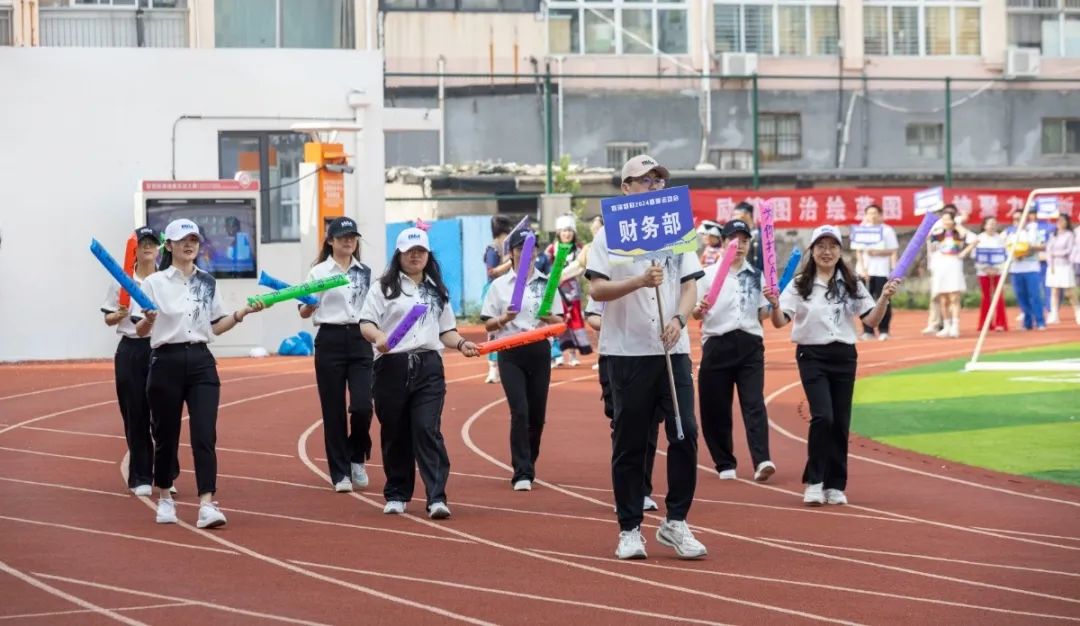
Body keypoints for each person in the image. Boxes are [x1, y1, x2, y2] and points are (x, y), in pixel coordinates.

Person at [586, 154, 707, 561]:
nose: (653, 186)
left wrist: (679, 317)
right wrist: (639, 280)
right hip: (628, 351)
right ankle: (629, 528)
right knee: (631, 441)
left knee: (685, 432)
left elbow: (689, 286)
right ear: (626, 188)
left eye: (658, 180)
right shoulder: (608, 235)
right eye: (644, 180)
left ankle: (676, 521)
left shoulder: (675, 226)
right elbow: (597, 290)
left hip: (672, 350)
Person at [132, 218, 265, 528]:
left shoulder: (207, 281)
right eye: (182, 240)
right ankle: (165, 497)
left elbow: (216, 326)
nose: (189, 245)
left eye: (193, 239)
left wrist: (241, 313)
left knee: (205, 434)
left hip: (201, 361)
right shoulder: (154, 283)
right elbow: (140, 331)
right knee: (165, 435)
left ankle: (207, 503)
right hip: (165, 360)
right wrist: (149, 319)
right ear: (169, 245)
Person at [359, 227, 480, 519]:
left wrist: (461, 343)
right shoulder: (383, 287)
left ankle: (436, 497)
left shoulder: (436, 290)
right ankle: (397, 493)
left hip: (428, 366)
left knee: (427, 428)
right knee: (395, 431)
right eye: (410, 252)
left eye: (421, 251)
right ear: (399, 254)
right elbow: (366, 323)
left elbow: (446, 330)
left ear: (428, 255)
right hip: (391, 366)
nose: (416, 256)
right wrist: (378, 337)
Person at [773, 225, 897, 507]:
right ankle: (815, 482)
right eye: (820, 246)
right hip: (812, 355)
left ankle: (835, 484)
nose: (826, 252)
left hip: (844, 356)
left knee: (840, 422)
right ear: (812, 250)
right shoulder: (800, 284)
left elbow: (871, 320)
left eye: (832, 246)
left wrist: (884, 298)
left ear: (840, 251)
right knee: (823, 417)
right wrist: (773, 305)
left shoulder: (852, 283)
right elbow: (780, 321)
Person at [692, 219, 779, 483]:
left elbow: (762, 313)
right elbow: (694, 312)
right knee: (715, 406)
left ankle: (762, 459)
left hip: (750, 344)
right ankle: (724, 461)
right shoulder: (706, 275)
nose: (739, 245)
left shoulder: (757, 275)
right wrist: (698, 309)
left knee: (754, 403)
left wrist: (773, 303)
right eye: (733, 239)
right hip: (717, 343)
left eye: (744, 240)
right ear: (723, 242)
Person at [481, 229, 565, 490]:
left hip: (539, 350)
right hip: (510, 350)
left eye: (531, 248)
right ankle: (522, 471)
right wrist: (505, 318)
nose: (526, 254)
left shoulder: (547, 283)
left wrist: (548, 317)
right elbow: (488, 324)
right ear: (512, 252)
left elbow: (560, 323)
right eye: (520, 249)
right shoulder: (499, 286)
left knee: (537, 415)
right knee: (520, 411)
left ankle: (529, 460)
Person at [299, 217, 375, 493]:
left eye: (352, 236)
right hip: (330, 339)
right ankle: (340, 472)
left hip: (360, 339)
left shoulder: (364, 272)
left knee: (363, 406)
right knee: (333, 410)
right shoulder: (318, 272)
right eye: (342, 236)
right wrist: (311, 304)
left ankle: (357, 456)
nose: (348, 241)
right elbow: (304, 311)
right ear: (330, 241)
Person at [101, 226, 166, 496]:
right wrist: (118, 315)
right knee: (135, 413)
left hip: (161, 347)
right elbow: (108, 318)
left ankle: (166, 475)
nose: (148, 247)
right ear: (134, 249)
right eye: (143, 243)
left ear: (159, 248)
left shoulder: (167, 280)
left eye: (152, 243)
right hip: (131, 349)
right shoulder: (122, 281)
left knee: (164, 415)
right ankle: (140, 476)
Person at [585, 297, 660, 512]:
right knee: (623, 425)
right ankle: (625, 494)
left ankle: (643, 491)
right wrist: (615, 324)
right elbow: (592, 315)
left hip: (651, 355)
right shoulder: (609, 280)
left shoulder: (657, 284)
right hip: (615, 356)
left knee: (650, 424)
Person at [548, 215, 592, 367]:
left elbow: (580, 267)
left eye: (569, 230)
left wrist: (563, 275)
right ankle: (556, 354)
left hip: (572, 292)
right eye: (564, 231)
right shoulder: (552, 249)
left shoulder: (579, 249)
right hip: (554, 292)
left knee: (574, 322)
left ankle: (573, 355)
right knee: (555, 321)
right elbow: (544, 266)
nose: (567, 234)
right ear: (558, 232)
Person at [851, 205, 899, 340]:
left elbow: (893, 250)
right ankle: (868, 331)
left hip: (882, 271)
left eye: (875, 213)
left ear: (880, 215)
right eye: (869, 213)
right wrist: (863, 269)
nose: (872, 216)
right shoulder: (861, 229)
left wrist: (878, 253)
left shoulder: (887, 230)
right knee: (864, 301)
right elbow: (858, 251)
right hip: (864, 272)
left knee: (883, 299)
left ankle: (884, 330)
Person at [927, 211, 976, 338]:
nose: (946, 222)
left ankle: (955, 326)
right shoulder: (938, 233)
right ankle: (947, 326)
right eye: (944, 220)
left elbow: (974, 240)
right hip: (940, 266)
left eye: (948, 219)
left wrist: (964, 252)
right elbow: (929, 242)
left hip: (954, 265)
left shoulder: (959, 233)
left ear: (954, 220)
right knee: (943, 299)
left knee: (954, 297)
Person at [483, 216, 515, 384]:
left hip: (509, 289)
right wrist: (511, 262)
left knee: (510, 328)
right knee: (494, 330)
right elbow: (492, 272)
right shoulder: (493, 248)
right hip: (494, 291)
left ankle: (507, 366)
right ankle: (493, 368)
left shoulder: (510, 246)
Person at [1006, 207, 1047, 331]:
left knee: (1034, 295)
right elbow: (1006, 248)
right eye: (1015, 219)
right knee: (1021, 297)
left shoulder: (1033, 232)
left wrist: (1028, 250)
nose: (1017, 221)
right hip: (1016, 269)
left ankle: (1040, 321)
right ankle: (1027, 322)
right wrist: (1015, 255)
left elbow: (1043, 246)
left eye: (1020, 218)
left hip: (1031, 268)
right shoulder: (1011, 233)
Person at [973, 216, 1009, 332]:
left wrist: (997, 269)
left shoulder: (1001, 239)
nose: (992, 226)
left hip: (998, 271)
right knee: (986, 297)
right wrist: (985, 269)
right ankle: (985, 323)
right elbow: (974, 256)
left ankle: (1000, 323)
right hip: (983, 272)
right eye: (990, 224)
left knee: (998, 296)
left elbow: (1006, 255)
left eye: (994, 224)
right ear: (984, 226)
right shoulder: (979, 238)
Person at [1046, 214, 1079, 325]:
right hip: (1054, 266)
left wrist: (1056, 254)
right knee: (1054, 291)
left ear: (1066, 222)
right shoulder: (1053, 234)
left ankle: (1078, 312)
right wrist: (1051, 264)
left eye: (1062, 220)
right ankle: (1054, 314)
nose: (1059, 222)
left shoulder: (1070, 235)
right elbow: (1049, 250)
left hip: (1065, 265)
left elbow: (1069, 250)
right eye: (1058, 220)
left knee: (1070, 292)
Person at [732, 202, 763, 271]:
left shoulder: (760, 235)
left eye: (736, 214)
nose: (733, 218)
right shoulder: (735, 234)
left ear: (747, 214)